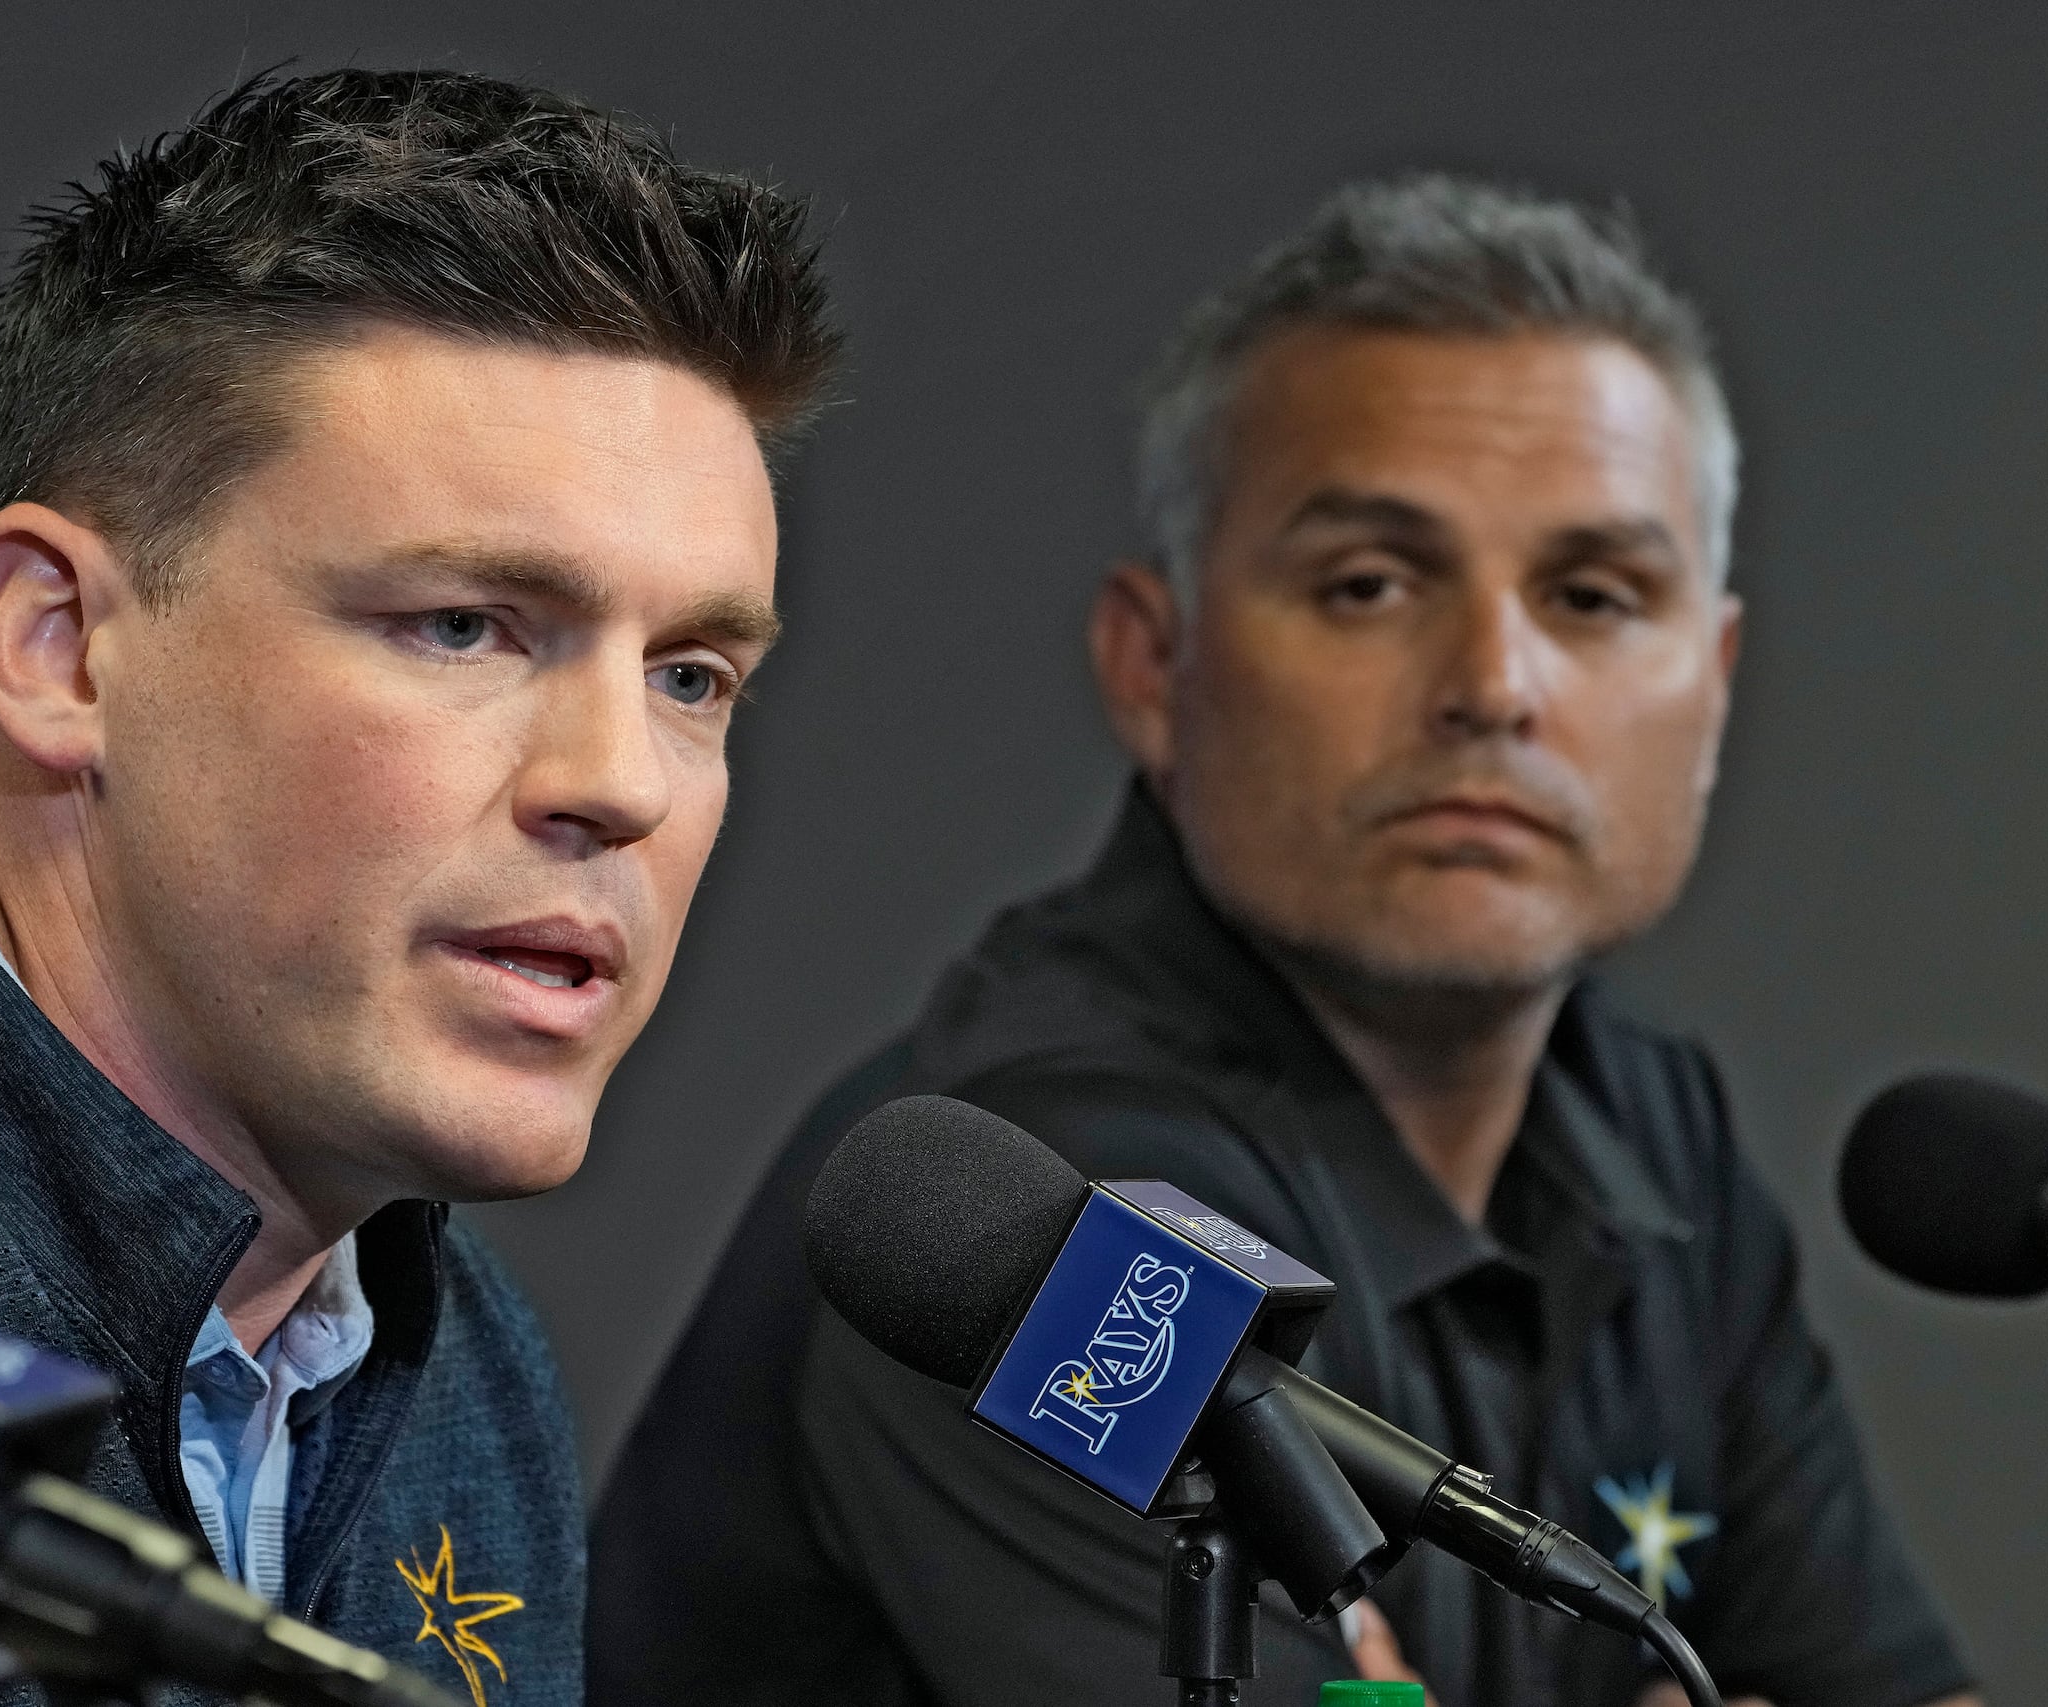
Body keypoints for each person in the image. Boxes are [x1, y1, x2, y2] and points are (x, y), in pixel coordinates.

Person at [591, 177, 1976, 1707]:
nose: (1496, 685)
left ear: (1712, 683)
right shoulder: (1045, 1213)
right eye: (1371, 584)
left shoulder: (1664, 1139)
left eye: (1592, 595)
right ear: (1153, 662)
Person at [0, 68, 834, 1704]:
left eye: (692, 675)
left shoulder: (454, 1349)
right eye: (463, 626)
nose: (620, 780)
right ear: (58, 648)